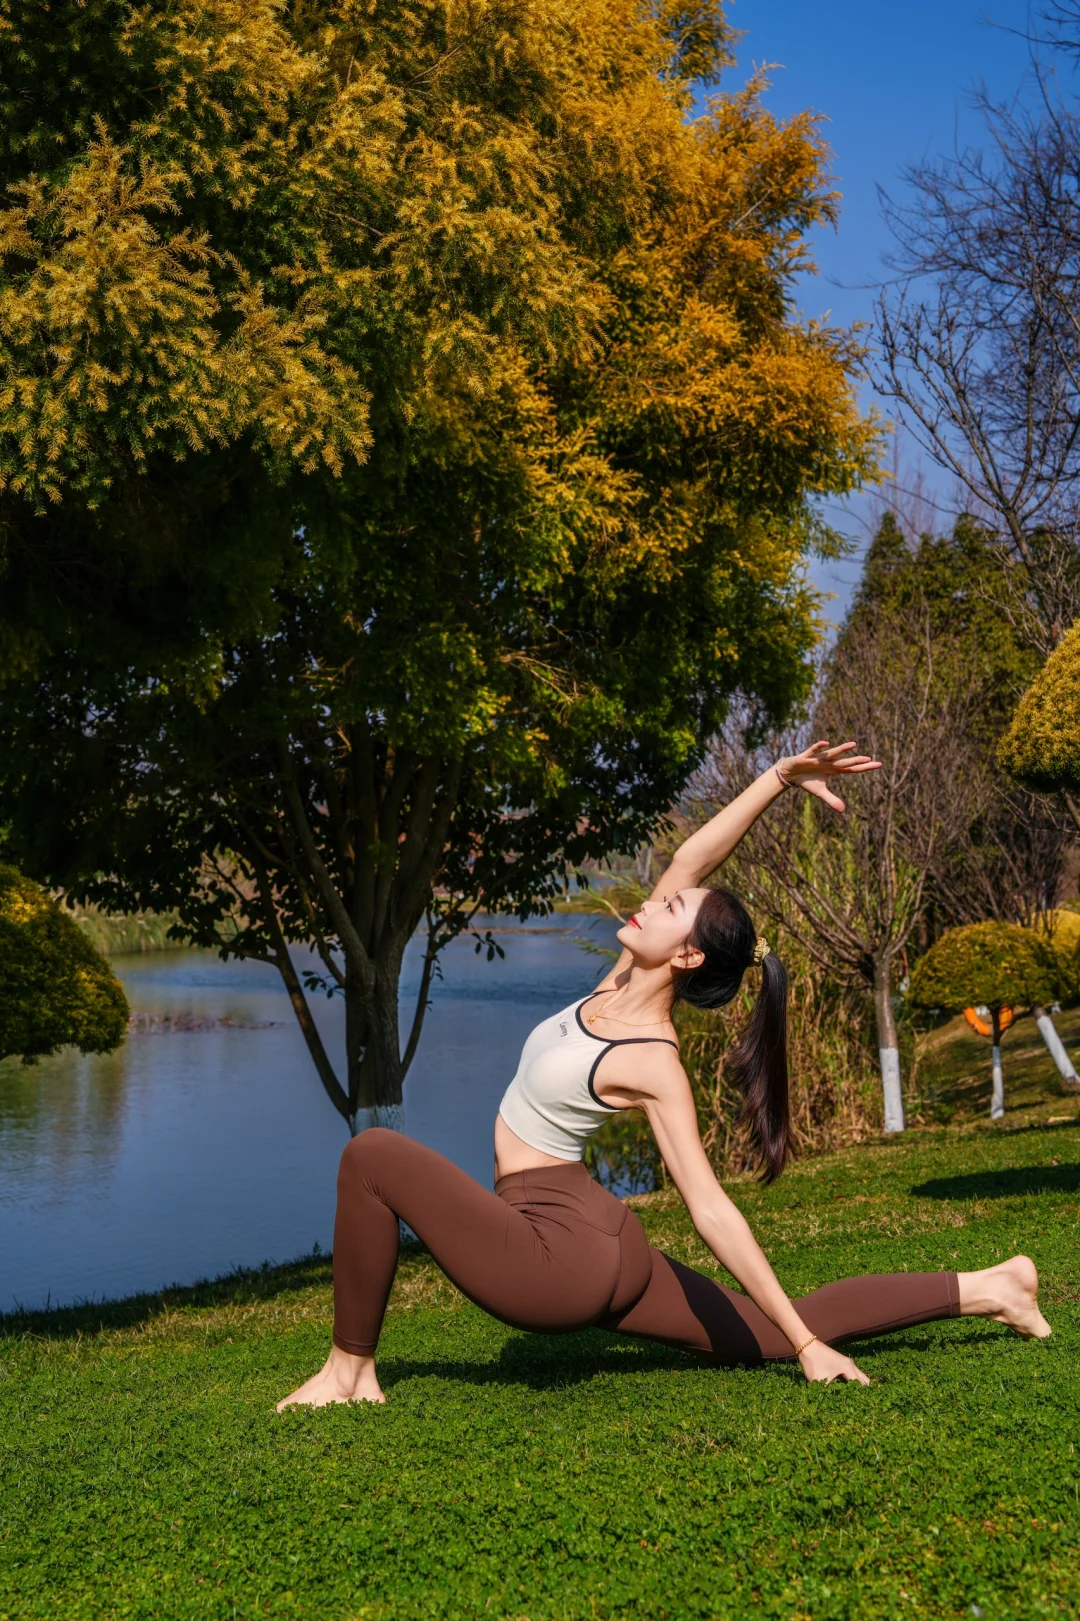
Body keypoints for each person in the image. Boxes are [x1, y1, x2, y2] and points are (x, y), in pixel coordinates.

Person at [278, 741, 1051, 1409]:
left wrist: (811, 1343)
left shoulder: (653, 1058)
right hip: (601, 1237)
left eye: (671, 909)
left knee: (371, 1157)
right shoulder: (618, 979)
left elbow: (711, 1207)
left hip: (556, 1261)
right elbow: (693, 857)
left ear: (685, 957)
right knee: (763, 1338)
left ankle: (350, 1370)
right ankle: (991, 1286)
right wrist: (778, 777)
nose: (652, 901)